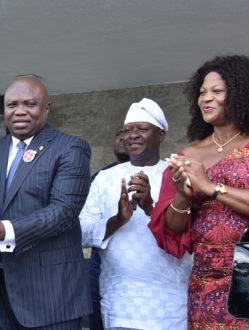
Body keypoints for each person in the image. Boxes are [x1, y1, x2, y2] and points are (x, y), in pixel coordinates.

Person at [148, 55, 249, 329]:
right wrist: (183, 194)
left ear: (241, 94)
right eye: (202, 92)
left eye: (217, 91)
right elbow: (173, 230)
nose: (206, 99)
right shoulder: (189, 154)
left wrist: (211, 187)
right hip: (203, 285)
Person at [0, 77, 92, 329]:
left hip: (51, 297)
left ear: (47, 108)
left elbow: (64, 212)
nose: (19, 111)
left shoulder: (71, 148)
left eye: (30, 104)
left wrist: (3, 230)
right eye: (11, 104)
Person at [79, 98, 191, 330]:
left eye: (142, 129)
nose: (132, 135)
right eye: (128, 130)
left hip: (169, 302)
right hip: (120, 301)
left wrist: (151, 207)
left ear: (161, 135)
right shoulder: (105, 178)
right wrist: (117, 220)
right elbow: (81, 232)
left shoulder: (178, 175)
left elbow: (190, 235)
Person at [86, 124, 129, 330]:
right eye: (119, 134)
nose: (122, 139)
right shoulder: (98, 178)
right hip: (100, 264)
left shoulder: (158, 174)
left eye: (128, 134)